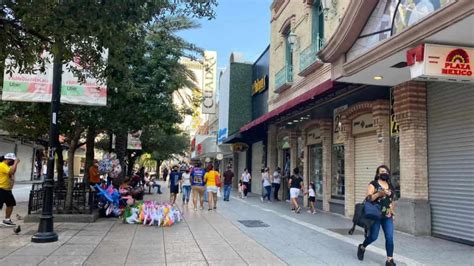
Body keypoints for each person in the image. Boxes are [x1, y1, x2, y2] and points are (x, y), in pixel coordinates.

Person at [357, 165, 396, 266]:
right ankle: (362, 246)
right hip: (376, 215)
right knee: (373, 237)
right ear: (378, 174)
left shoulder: (390, 185)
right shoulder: (373, 184)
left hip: (387, 215)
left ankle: (389, 260)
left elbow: (391, 201)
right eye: (382, 171)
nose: (385, 173)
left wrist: (392, 212)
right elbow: (368, 198)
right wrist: (379, 194)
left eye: (386, 171)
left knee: (390, 237)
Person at [0, 153, 20, 226]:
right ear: (8, 160)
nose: (13, 162)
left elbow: (12, 172)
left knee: (11, 204)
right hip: (1, 189)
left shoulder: (7, 166)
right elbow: (12, 172)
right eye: (12, 161)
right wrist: (16, 163)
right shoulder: (2, 165)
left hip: (7, 189)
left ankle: (7, 220)